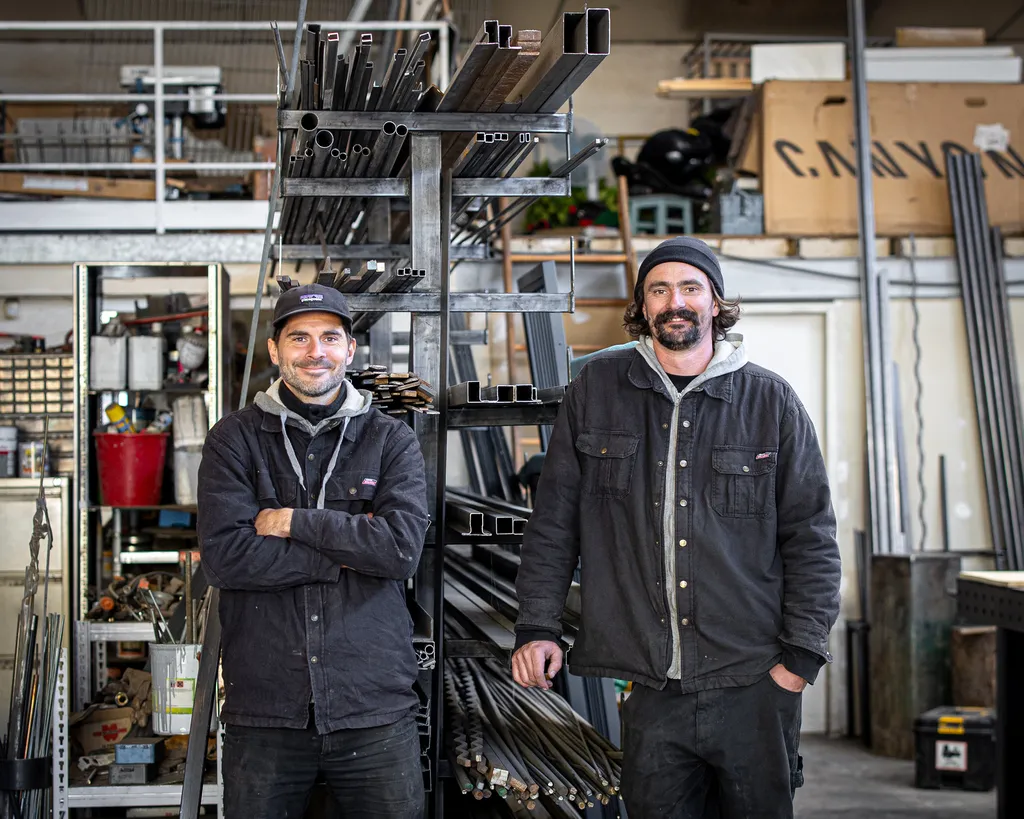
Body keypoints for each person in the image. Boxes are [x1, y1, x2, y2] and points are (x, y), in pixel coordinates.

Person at [511, 236, 841, 818]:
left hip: (753, 679)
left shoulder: (770, 401)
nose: (675, 302)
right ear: (643, 305)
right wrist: (538, 626)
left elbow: (812, 538)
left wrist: (799, 662)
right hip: (650, 683)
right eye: (659, 290)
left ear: (715, 302)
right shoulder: (598, 389)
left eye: (690, 288)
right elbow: (555, 522)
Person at [197, 283, 429, 819]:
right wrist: (346, 551)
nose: (315, 351)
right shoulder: (233, 440)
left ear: (350, 348)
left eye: (329, 337)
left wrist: (294, 523)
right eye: (299, 337)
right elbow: (226, 558)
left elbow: (399, 552)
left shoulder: (391, 440)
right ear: (275, 350)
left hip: (372, 703)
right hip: (266, 707)